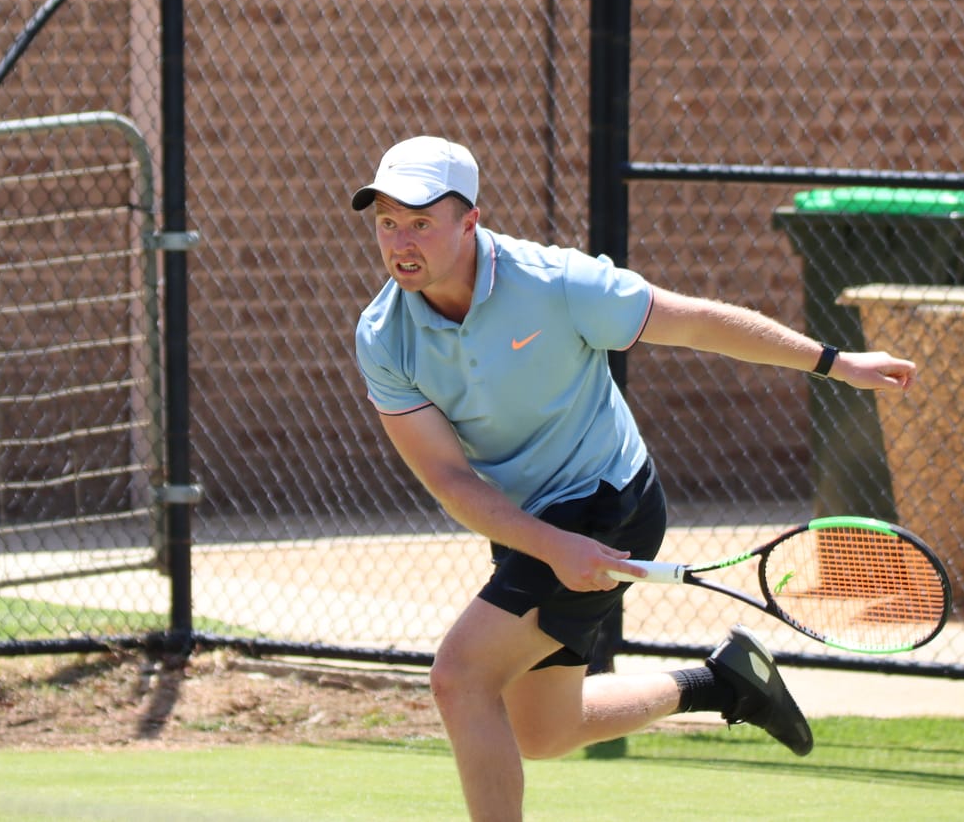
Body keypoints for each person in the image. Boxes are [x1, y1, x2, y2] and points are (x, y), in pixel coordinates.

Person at [350, 136, 917, 822]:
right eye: (386, 222)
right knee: (542, 730)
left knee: (460, 677)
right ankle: (720, 683)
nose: (400, 240)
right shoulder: (384, 334)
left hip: (606, 499)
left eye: (420, 221)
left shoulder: (556, 283)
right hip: (533, 523)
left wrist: (835, 362)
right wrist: (548, 545)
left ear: (469, 220)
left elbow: (696, 322)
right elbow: (448, 477)